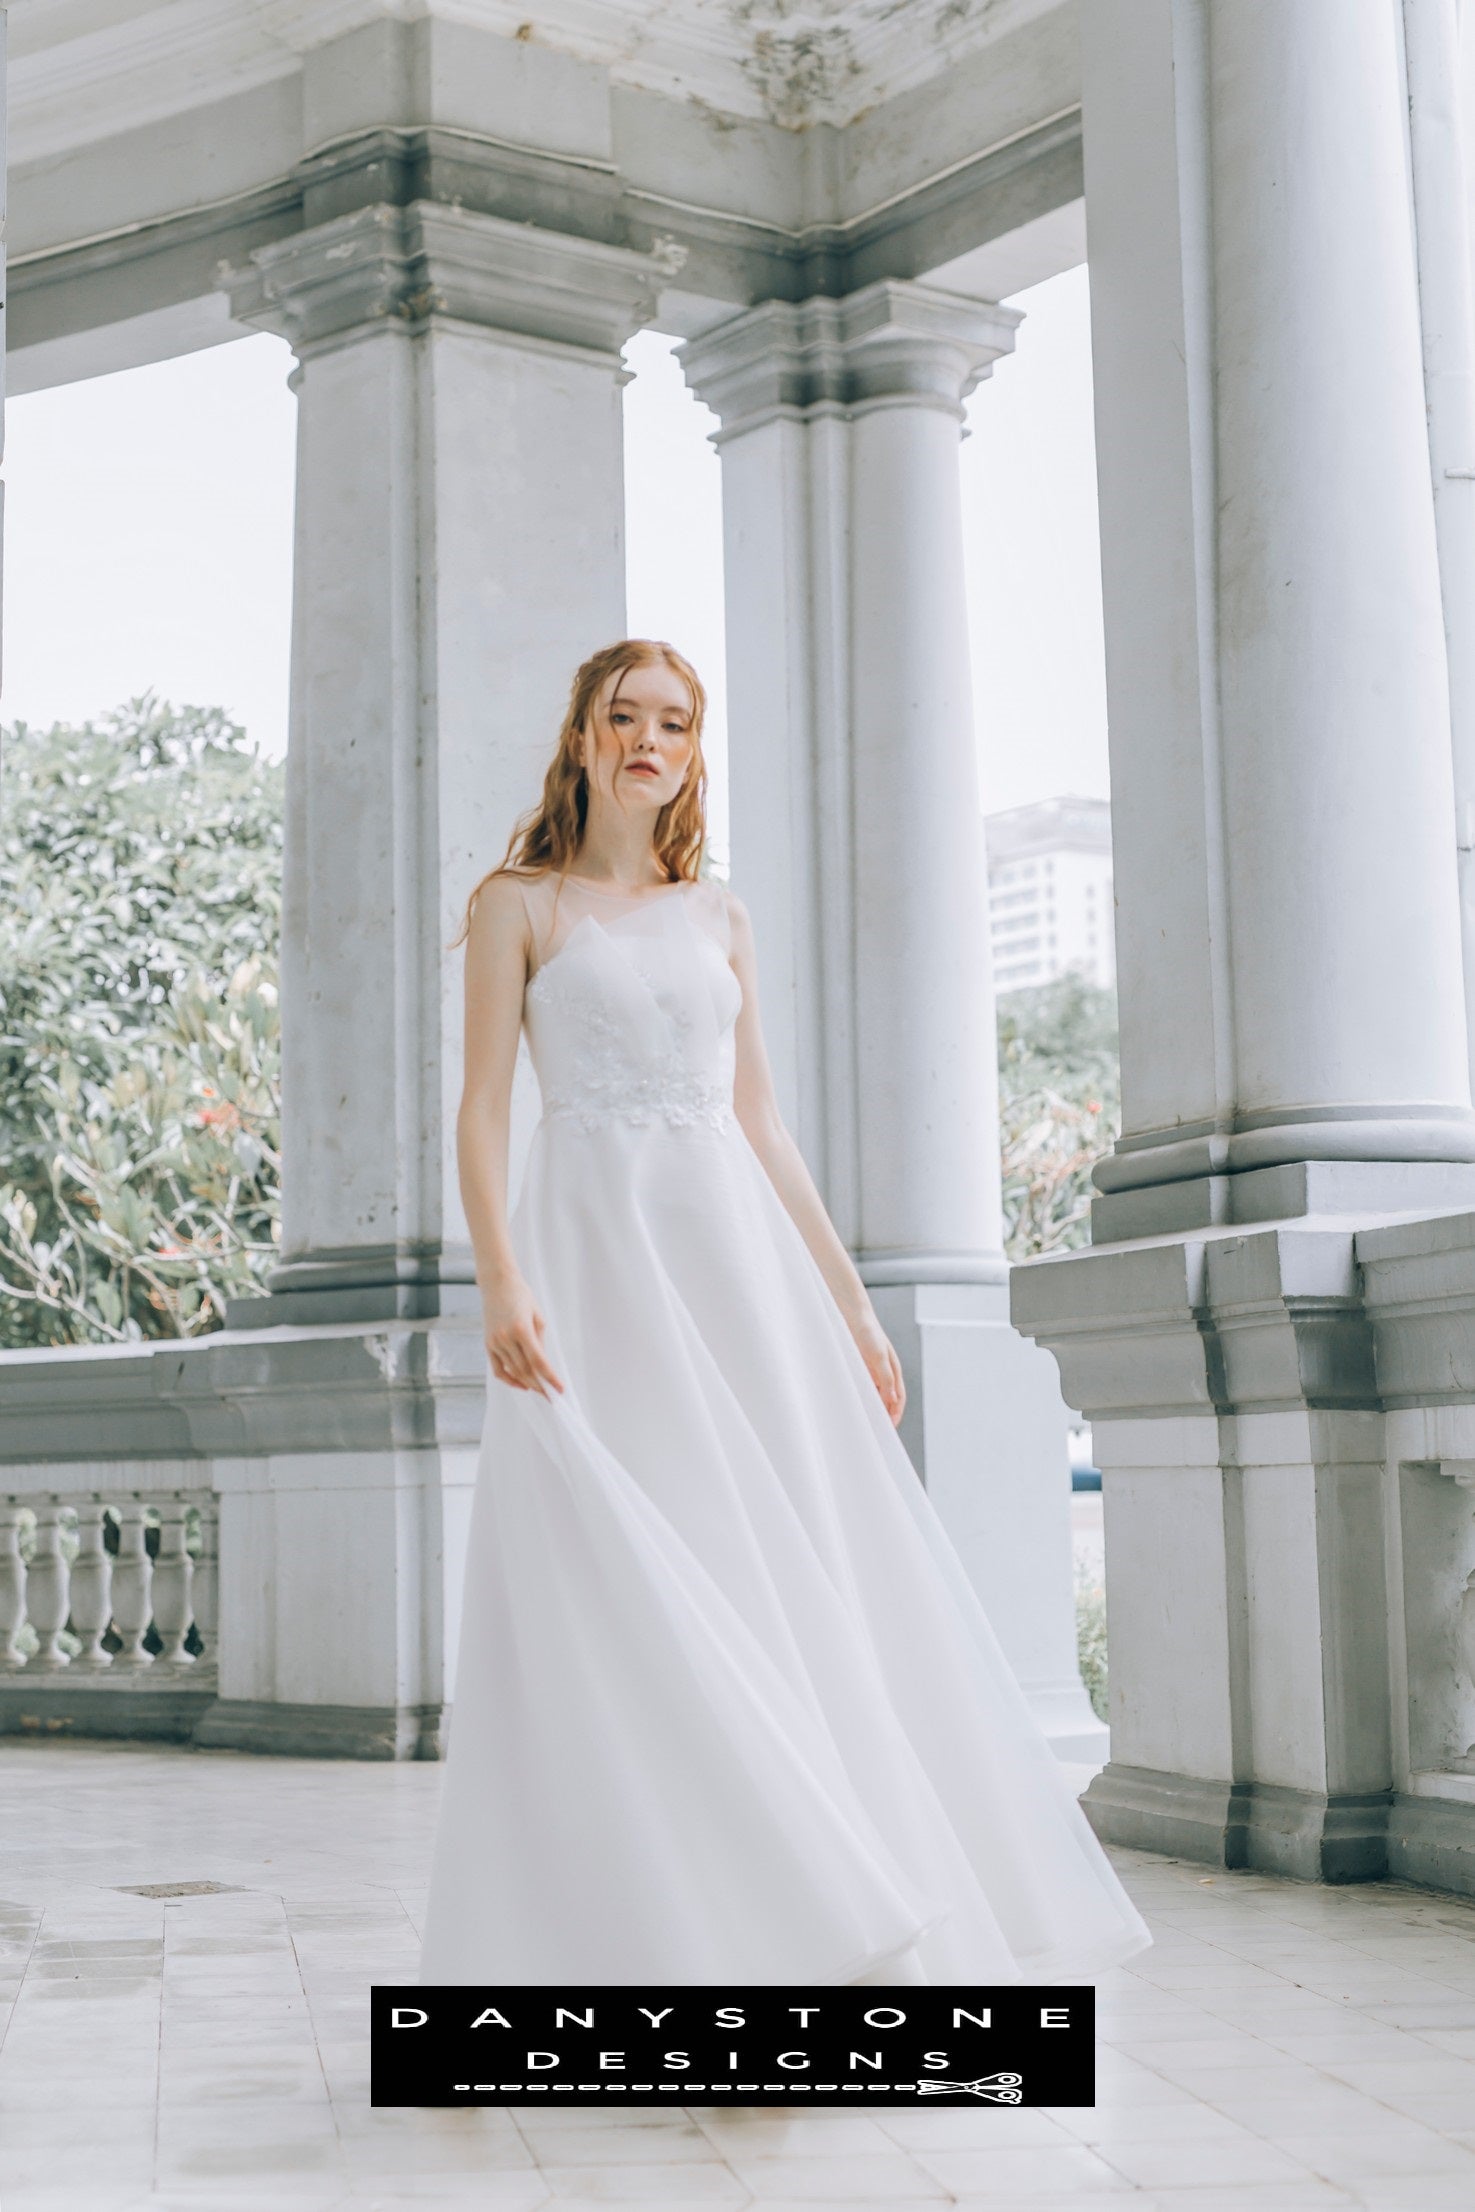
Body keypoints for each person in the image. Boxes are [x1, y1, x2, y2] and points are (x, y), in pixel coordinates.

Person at [417, 637, 1151, 1987]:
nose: (650, 740)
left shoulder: (722, 918)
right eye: (625, 716)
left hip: (731, 1259)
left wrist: (852, 1308)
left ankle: (821, 1905)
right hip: (592, 1252)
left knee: (772, 1551)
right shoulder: (519, 904)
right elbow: (477, 1110)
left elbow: (763, 1127)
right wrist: (502, 1280)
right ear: (582, 734)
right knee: (629, 1550)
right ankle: (664, 1921)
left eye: (676, 723)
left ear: (697, 750)